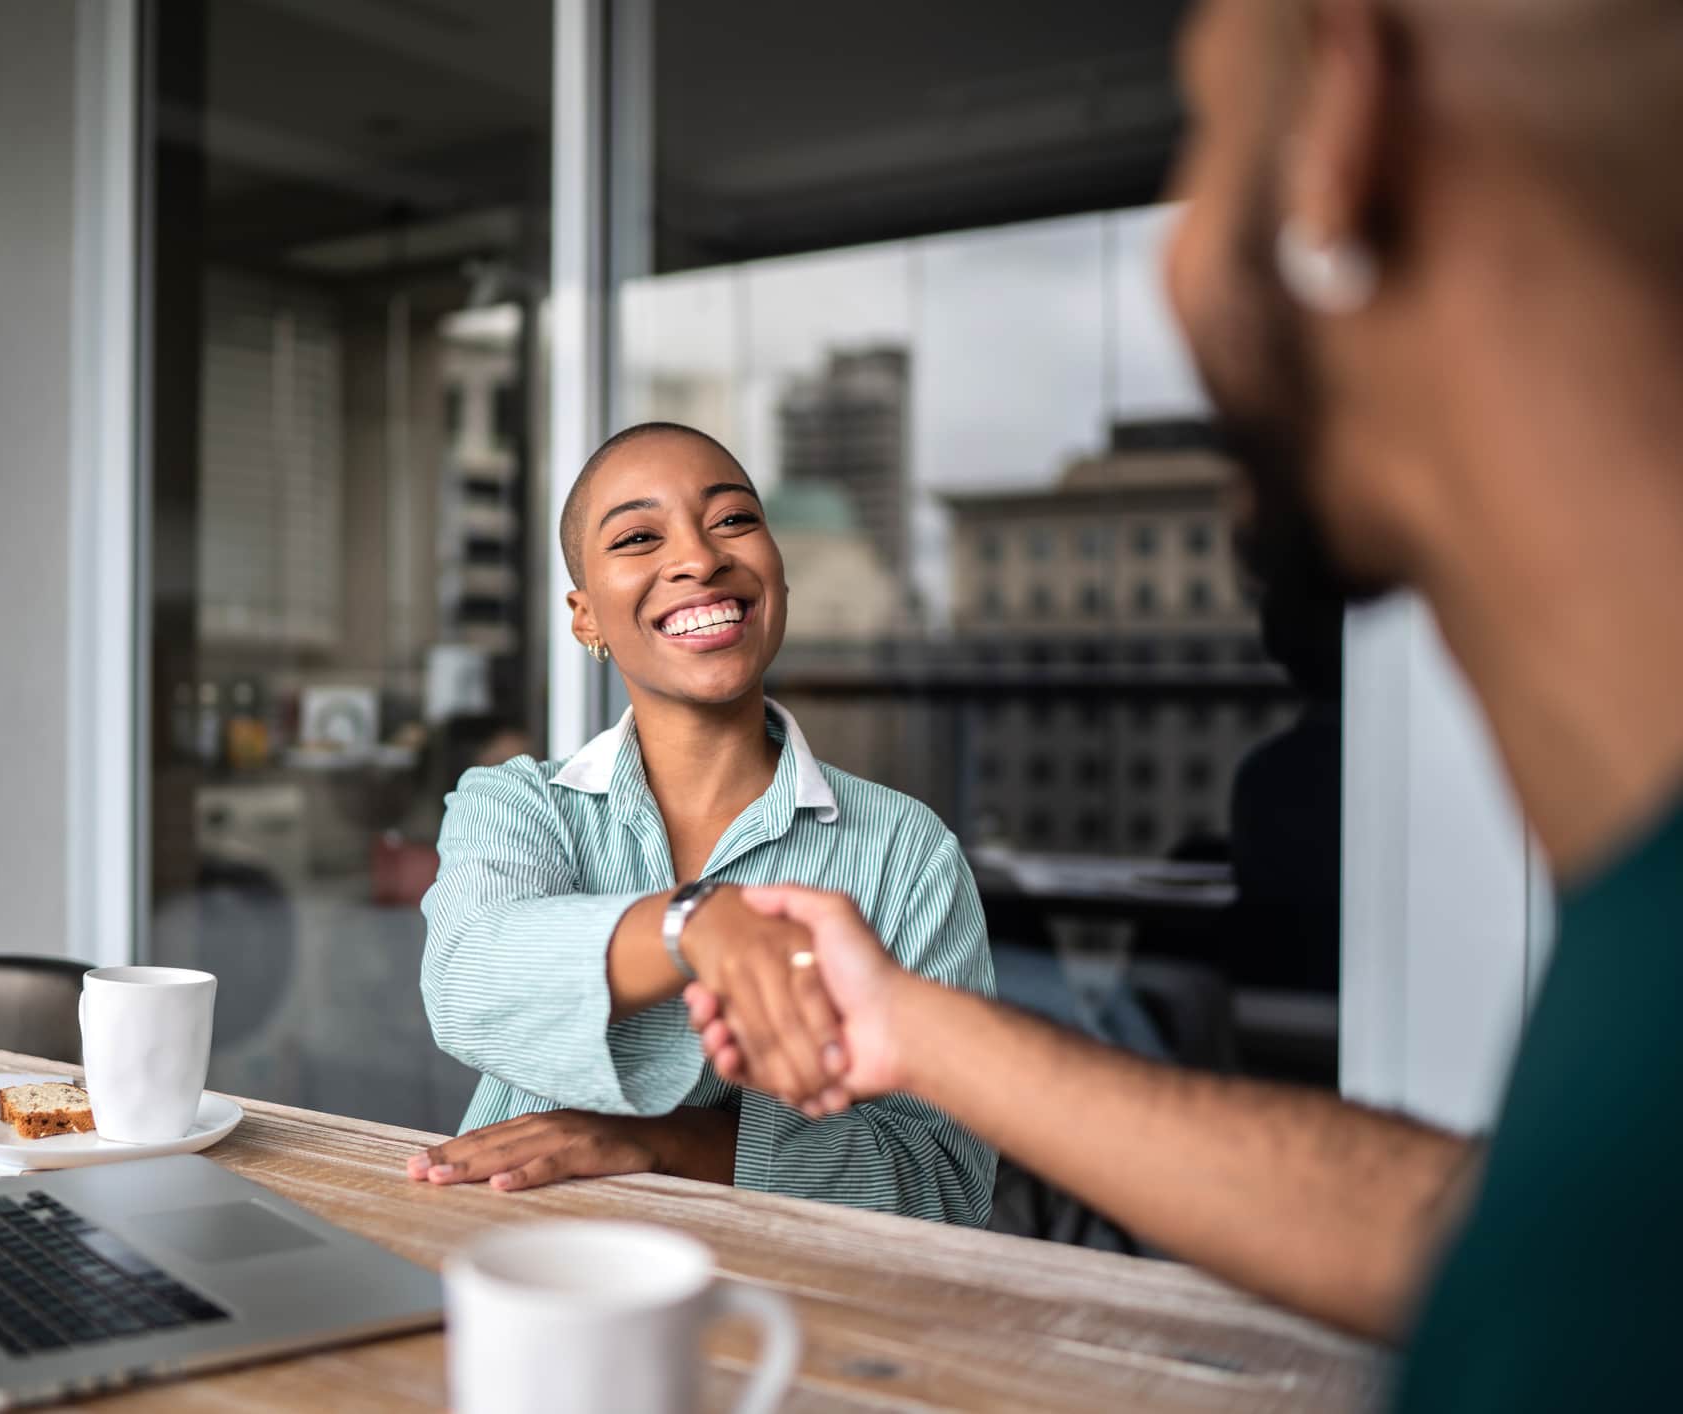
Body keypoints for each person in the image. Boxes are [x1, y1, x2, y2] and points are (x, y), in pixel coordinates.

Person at [685, 0, 1683, 1406]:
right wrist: (909, 1027)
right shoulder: (1637, 1040)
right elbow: (1492, 1220)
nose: (1174, 235)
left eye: (1205, 126)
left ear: (1339, 123)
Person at [409, 422, 998, 1225]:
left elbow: (943, 1187)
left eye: (732, 520)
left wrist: (672, 1142)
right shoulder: (520, 804)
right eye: (640, 536)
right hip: (516, 1254)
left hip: (797, 1301)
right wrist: (698, 926)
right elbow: (467, 983)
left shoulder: (906, 850)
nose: (699, 557)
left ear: (777, 575)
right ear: (586, 619)